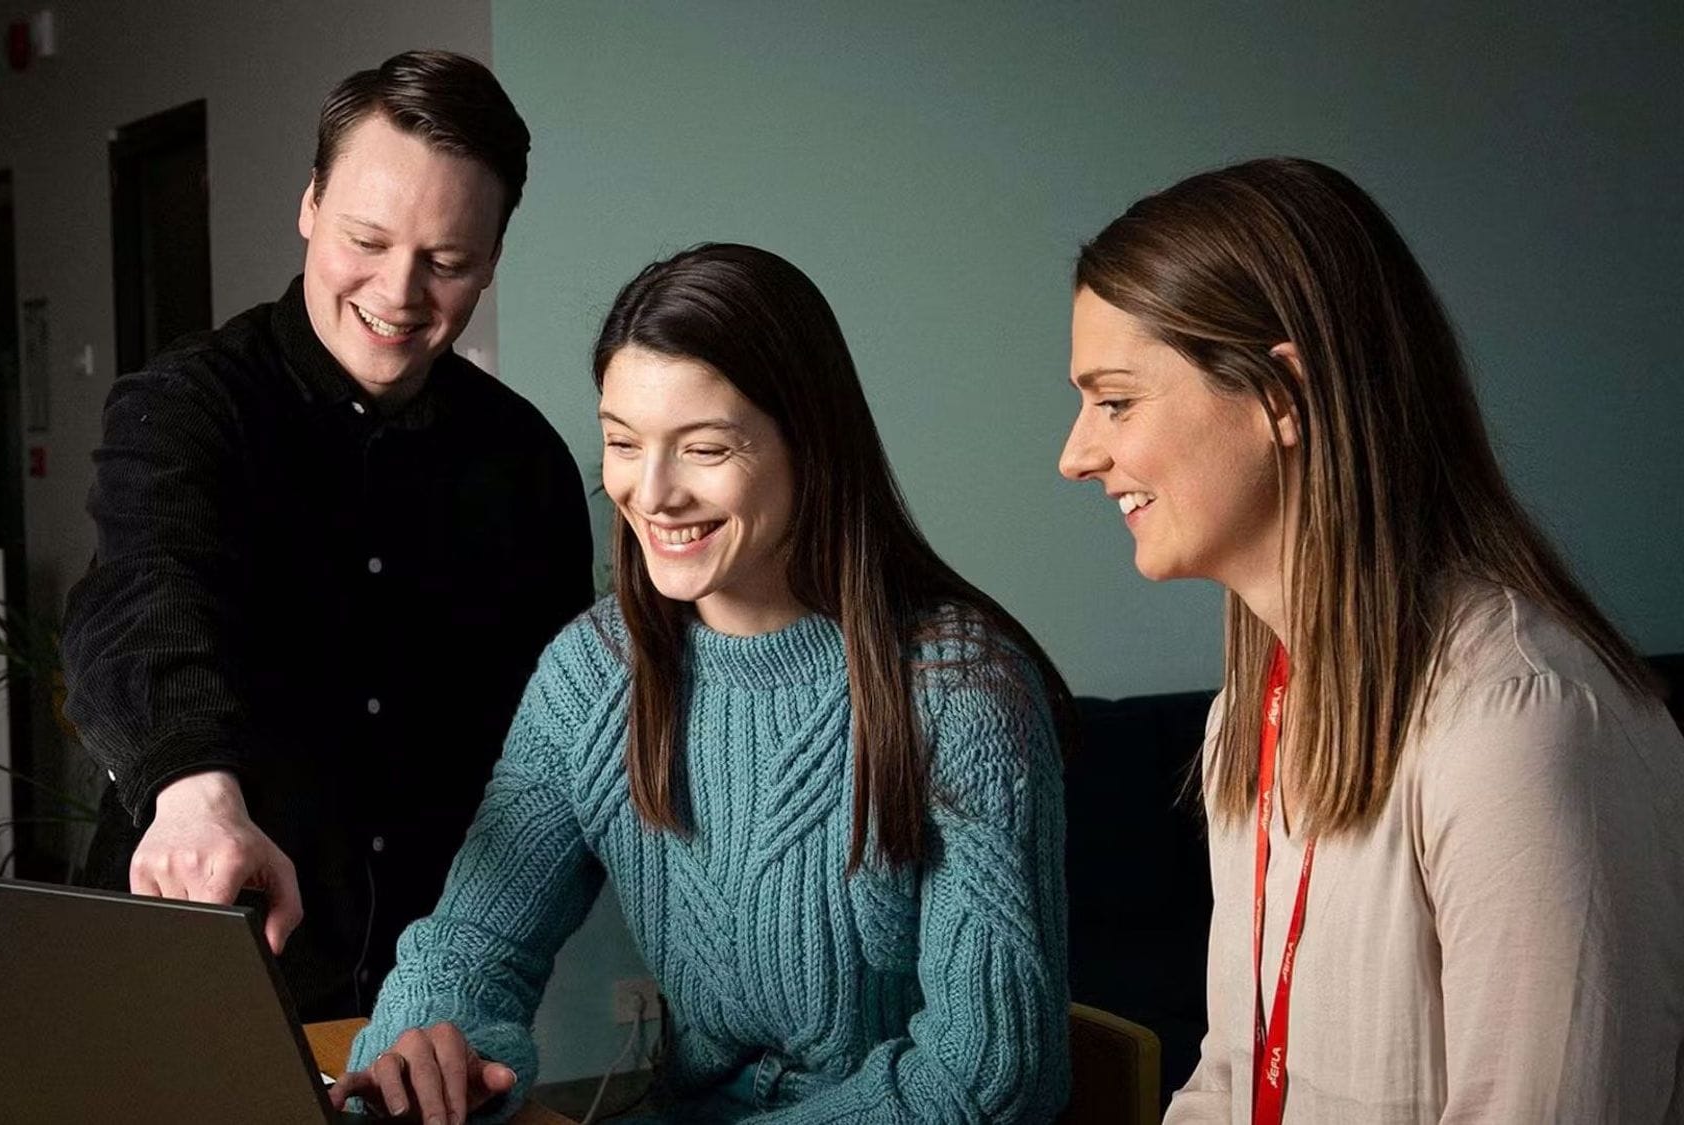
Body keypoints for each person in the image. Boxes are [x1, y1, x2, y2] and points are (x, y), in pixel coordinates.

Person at [332, 242, 1076, 1123]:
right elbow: (472, 942)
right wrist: (421, 1048)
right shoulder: (593, 672)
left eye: (704, 448)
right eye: (620, 442)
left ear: (810, 442)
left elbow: (988, 1080)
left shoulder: (963, 692)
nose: (649, 494)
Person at [1058, 157, 1684, 1122]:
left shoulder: (1526, 719)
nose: (1077, 454)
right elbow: (1228, 1075)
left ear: (1281, 393)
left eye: (1116, 400)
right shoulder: (1249, 714)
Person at [59, 50, 593, 1019]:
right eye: (366, 239)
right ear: (310, 205)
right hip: (189, 961)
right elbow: (144, 594)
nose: (397, 294)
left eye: (447, 262)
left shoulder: (528, 463)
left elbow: (552, 746)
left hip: (424, 1000)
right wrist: (191, 786)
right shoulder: (186, 407)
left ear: (493, 259)